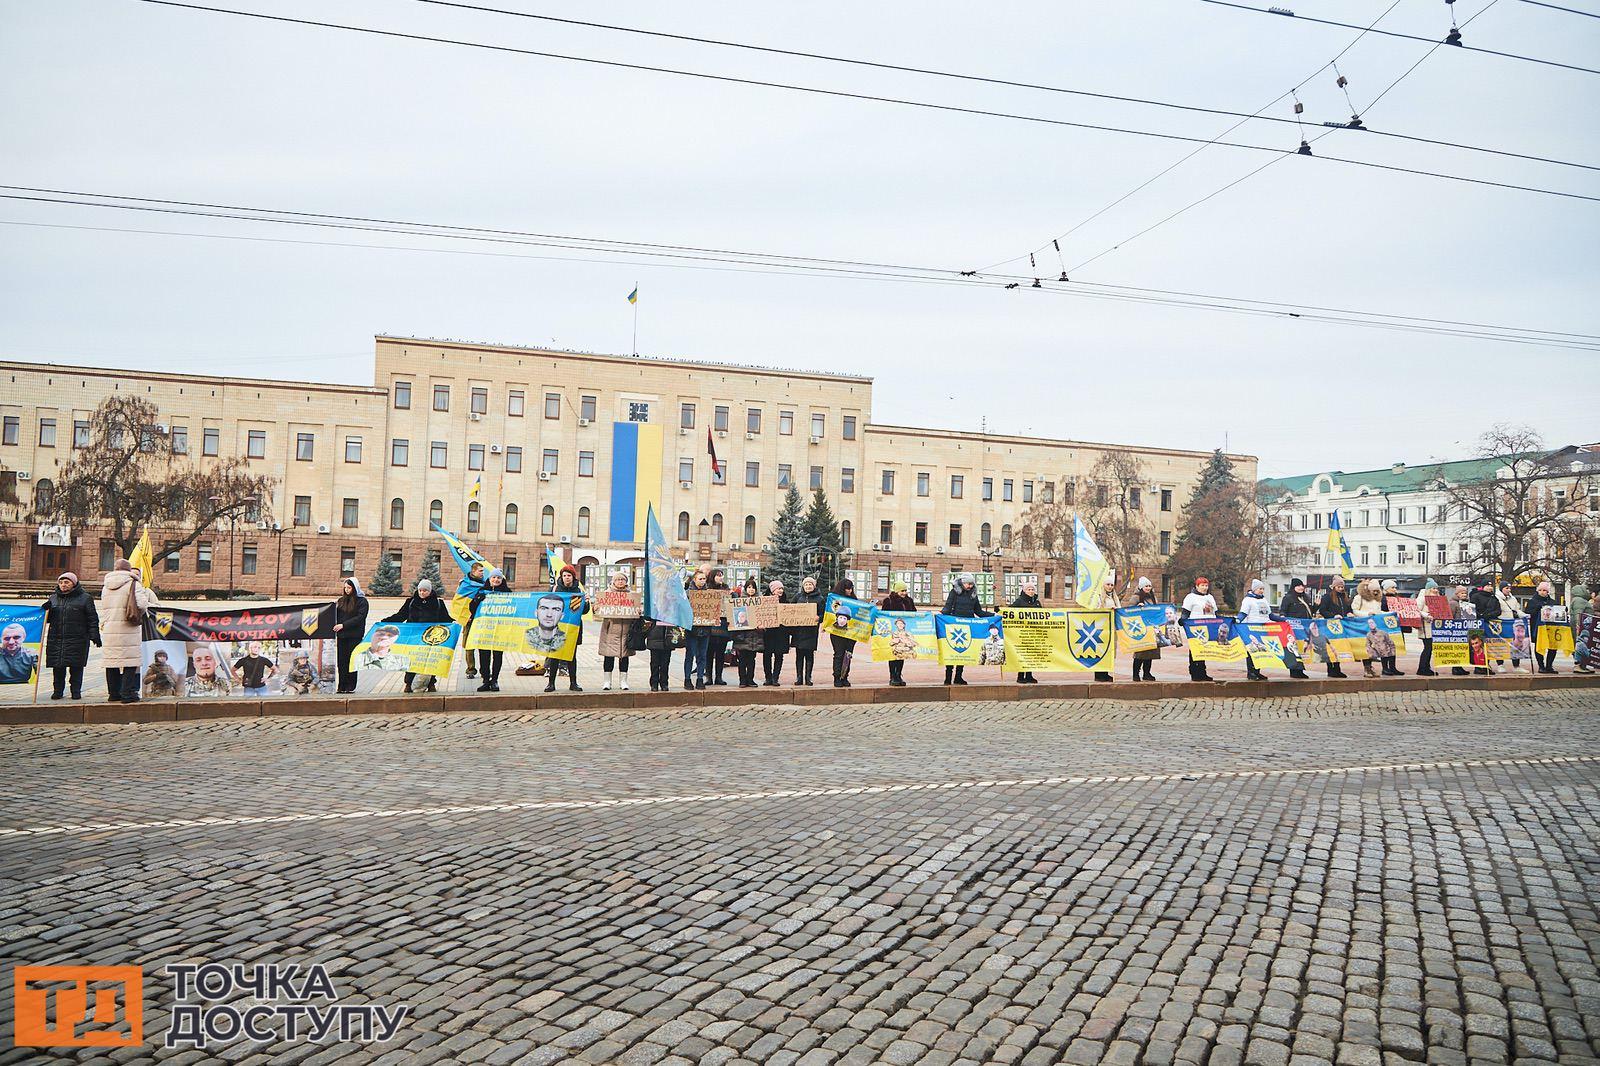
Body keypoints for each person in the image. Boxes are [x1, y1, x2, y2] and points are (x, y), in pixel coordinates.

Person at [99, 559, 156, 703]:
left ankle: (113, 693)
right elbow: (142, 604)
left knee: (112, 662)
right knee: (130, 661)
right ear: (128, 569)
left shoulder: (106, 586)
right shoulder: (133, 583)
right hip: (128, 626)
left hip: (110, 627)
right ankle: (127, 693)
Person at [384, 577, 452, 692]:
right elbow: (401, 616)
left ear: (430, 591)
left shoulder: (438, 603)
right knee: (411, 660)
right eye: (420, 590)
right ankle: (409, 683)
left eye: (425, 590)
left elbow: (445, 619)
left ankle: (431, 683)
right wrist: (386, 621)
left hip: (430, 638)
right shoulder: (411, 602)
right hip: (413, 637)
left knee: (429, 660)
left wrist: (453, 625)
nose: (422, 593)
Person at [42, 572, 99, 701]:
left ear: (73, 583)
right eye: (61, 582)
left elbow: (92, 618)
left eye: (66, 582)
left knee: (76, 667)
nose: (63, 585)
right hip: (56, 638)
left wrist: (94, 635)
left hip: (77, 638)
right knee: (58, 667)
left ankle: (76, 691)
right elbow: (47, 619)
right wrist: (45, 611)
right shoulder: (53, 598)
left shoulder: (85, 598)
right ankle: (58, 691)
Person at [1236, 579, 1287, 682]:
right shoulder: (1248, 600)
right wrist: (1237, 620)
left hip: (1263, 628)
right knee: (1252, 650)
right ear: (1254, 589)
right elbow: (1243, 613)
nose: (1262, 591)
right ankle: (1251, 672)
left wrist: (1283, 619)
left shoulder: (1264, 600)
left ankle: (1257, 671)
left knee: (1261, 650)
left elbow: (1270, 615)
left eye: (1263, 589)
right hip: (1252, 628)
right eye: (1260, 589)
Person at [942, 573, 988, 685]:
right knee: (952, 651)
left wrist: (994, 615)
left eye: (972, 584)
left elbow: (979, 612)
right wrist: (940, 615)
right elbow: (947, 608)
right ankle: (948, 678)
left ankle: (958, 676)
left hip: (968, 626)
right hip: (954, 626)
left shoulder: (973, 594)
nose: (970, 586)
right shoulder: (954, 592)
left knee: (963, 652)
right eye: (968, 583)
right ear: (962, 582)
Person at [546, 565, 586, 692]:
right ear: (561, 577)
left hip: (572, 627)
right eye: (564, 575)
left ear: (573, 577)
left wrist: (587, 603)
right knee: (554, 655)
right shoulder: (555, 589)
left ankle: (573, 683)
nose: (566, 578)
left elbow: (583, 611)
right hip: (556, 626)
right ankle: (551, 683)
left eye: (569, 575)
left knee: (571, 656)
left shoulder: (578, 590)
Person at [597, 572, 638, 691]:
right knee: (608, 657)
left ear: (626, 581)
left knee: (624, 657)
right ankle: (607, 681)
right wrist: (596, 608)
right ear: (613, 581)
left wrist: (637, 612)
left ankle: (623, 681)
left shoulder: (631, 595)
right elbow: (598, 608)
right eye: (618, 579)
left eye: (622, 579)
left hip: (626, 631)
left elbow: (636, 609)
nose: (620, 581)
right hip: (610, 631)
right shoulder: (607, 594)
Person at [472, 568, 511, 692]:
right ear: (489, 579)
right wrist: (478, 599)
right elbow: (472, 608)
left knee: (497, 655)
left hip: (500, 629)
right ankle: (485, 680)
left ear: (502, 579)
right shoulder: (482, 591)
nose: (496, 580)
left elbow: (514, 608)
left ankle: (494, 680)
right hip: (484, 629)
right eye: (493, 577)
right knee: (484, 655)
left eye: (498, 578)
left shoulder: (507, 592)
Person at [333, 577, 368, 694]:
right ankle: (341, 685)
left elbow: (359, 617)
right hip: (342, 636)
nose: (347, 590)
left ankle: (350, 685)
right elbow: (335, 615)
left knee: (352, 660)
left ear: (354, 588)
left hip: (354, 635)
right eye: (345, 588)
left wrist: (344, 625)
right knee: (341, 661)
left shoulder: (362, 601)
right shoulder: (341, 601)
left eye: (349, 587)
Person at [1180, 577, 1219, 683]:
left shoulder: (1210, 597)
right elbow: (1185, 612)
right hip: (1196, 627)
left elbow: (1215, 612)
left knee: (1204, 649)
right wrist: (1183, 620)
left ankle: (1203, 672)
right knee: (1195, 649)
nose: (1204, 588)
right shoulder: (1190, 597)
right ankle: (1195, 672)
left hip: (1209, 626)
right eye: (1202, 585)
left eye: (1206, 585)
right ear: (1197, 586)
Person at [1275, 578, 1313, 680]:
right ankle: (1295, 671)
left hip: (1304, 628)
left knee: (1301, 649)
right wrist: (1283, 617)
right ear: (1294, 587)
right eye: (1298, 586)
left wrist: (1316, 605)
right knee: (1294, 649)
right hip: (1293, 628)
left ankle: (1300, 670)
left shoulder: (1306, 597)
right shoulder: (1288, 598)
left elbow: (1310, 612)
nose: (1301, 588)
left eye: (1302, 586)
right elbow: (1283, 610)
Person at [789, 576, 824, 686]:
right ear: (803, 586)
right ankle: (799, 677)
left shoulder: (820, 599)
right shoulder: (798, 597)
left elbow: (824, 614)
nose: (808, 586)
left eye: (810, 584)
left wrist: (819, 617)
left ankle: (808, 677)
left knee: (809, 655)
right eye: (806, 584)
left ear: (814, 586)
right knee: (799, 655)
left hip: (811, 631)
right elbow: (790, 609)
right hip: (799, 631)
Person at [881, 579, 916, 687]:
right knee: (893, 654)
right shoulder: (889, 601)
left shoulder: (909, 601)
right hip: (893, 633)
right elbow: (883, 615)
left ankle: (898, 675)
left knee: (902, 655)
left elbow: (914, 613)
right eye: (902, 591)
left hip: (904, 632)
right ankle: (893, 676)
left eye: (905, 590)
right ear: (896, 591)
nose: (904, 593)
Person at [683, 569, 715, 690]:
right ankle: (687, 679)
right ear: (694, 580)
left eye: (704, 579)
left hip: (705, 629)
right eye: (700, 579)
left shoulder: (710, 594)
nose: (702, 581)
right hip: (692, 629)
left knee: (702, 655)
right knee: (690, 654)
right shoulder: (687, 593)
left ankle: (700, 679)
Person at [1316, 577, 1352, 679]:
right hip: (1330, 625)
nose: (1341, 589)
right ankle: (1330, 669)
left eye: (1342, 587)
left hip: (1341, 625)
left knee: (1339, 647)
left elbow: (1348, 608)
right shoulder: (1327, 597)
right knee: (1331, 647)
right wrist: (1333, 616)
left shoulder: (1345, 597)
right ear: (1334, 587)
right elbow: (1323, 610)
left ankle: (1337, 668)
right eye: (1339, 587)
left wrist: (1349, 613)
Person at [457, 560, 487, 679]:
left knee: (482, 645)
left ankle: (484, 669)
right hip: (469, 619)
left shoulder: (484, 584)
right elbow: (459, 602)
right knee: (469, 646)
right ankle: (470, 669)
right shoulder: (465, 584)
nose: (482, 573)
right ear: (473, 571)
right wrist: (465, 616)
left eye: (483, 571)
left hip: (480, 619)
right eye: (480, 571)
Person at [1349, 579, 1385, 678]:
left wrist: (1386, 614)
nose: (1376, 592)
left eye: (1377, 590)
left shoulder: (1377, 599)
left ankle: (1370, 666)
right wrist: (1366, 614)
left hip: (1374, 626)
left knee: (1373, 647)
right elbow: (1355, 610)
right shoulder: (1359, 597)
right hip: (1363, 625)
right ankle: (1367, 667)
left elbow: (1378, 611)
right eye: (1374, 590)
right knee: (1365, 647)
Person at [1130, 577, 1164, 681]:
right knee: (1140, 652)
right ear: (1141, 587)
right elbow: (1129, 611)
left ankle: (1147, 673)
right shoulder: (1136, 597)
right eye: (1146, 586)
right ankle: (1136, 674)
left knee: (1150, 652)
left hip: (1152, 627)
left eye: (1149, 586)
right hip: (1141, 628)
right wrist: (1137, 607)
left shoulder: (1153, 597)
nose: (1148, 588)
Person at [732, 576, 764, 688]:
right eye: (749, 587)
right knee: (742, 660)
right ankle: (742, 680)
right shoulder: (739, 601)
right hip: (742, 635)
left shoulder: (760, 602)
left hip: (755, 636)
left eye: (753, 587)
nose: (751, 589)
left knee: (751, 659)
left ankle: (750, 679)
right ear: (745, 589)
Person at [1526, 580, 1559, 674]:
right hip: (1538, 628)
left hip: (1551, 628)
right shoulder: (1532, 601)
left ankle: (1549, 666)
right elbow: (1528, 613)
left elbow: (1558, 613)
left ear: (1548, 591)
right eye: (1540, 590)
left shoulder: (1553, 602)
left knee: (1553, 647)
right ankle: (1541, 666)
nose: (1542, 592)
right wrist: (1537, 608)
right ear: (1537, 590)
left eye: (1545, 590)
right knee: (1539, 646)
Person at [706, 569, 731, 686]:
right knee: (709, 653)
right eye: (718, 575)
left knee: (721, 653)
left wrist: (732, 596)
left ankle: (719, 677)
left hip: (722, 625)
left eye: (722, 575)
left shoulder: (726, 589)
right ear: (712, 577)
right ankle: (709, 677)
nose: (721, 578)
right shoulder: (707, 589)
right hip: (710, 626)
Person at [763, 579, 790, 685]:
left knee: (779, 655)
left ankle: (775, 678)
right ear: (773, 590)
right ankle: (768, 678)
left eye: (782, 588)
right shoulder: (765, 601)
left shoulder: (786, 602)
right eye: (778, 588)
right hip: (768, 633)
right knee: (767, 655)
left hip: (781, 633)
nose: (781, 590)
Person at [1093, 577, 1120, 683]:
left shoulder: (1114, 597)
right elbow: (1096, 609)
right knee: (1100, 650)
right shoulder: (1099, 597)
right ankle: (1099, 674)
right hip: (1101, 628)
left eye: (1111, 585)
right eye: (1108, 584)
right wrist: (1107, 610)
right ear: (1103, 585)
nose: (1110, 587)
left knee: (1109, 650)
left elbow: (1119, 608)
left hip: (1111, 628)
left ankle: (1106, 672)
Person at [644, 616, 680, 692]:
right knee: (655, 664)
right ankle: (654, 683)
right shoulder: (654, 607)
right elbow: (646, 617)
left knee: (665, 664)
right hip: (655, 638)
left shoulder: (672, 607)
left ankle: (664, 683)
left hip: (668, 637)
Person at [1414, 578, 1440, 676]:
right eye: (1433, 588)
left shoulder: (1437, 598)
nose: (1435, 590)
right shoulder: (1422, 598)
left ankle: (1426, 667)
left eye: (1436, 588)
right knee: (1428, 647)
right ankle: (1422, 668)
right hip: (1425, 626)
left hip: (1433, 626)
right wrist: (1426, 615)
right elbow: (1416, 609)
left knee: (1430, 647)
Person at [1497, 582, 1527, 670]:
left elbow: (1517, 610)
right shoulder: (1497, 598)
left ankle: (1516, 666)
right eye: (1506, 588)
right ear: (1501, 589)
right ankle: (1500, 665)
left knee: (1515, 644)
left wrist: (1524, 615)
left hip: (1512, 623)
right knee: (1500, 644)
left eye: (1509, 588)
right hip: (1502, 623)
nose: (1508, 590)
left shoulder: (1513, 599)